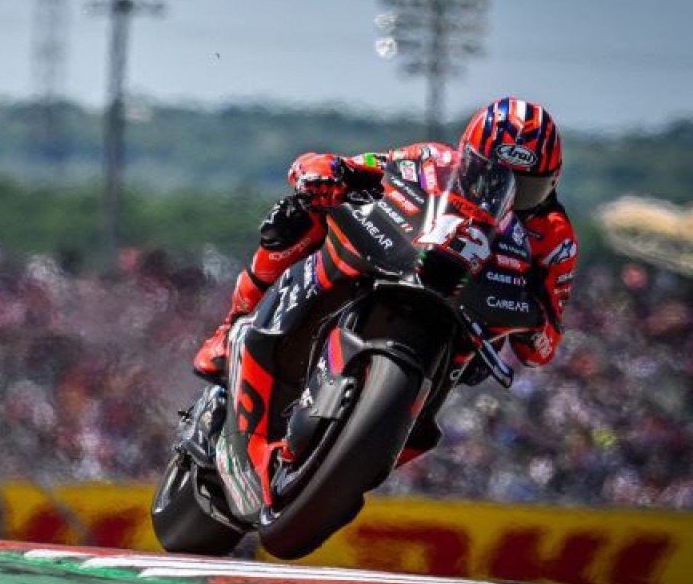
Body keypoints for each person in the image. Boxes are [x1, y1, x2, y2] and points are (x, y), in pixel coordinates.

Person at [193, 97, 577, 436]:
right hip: (404, 258)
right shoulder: (433, 159)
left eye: (526, 190)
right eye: (494, 178)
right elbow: (350, 166)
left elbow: (541, 349)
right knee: (294, 218)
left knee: (478, 369)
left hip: (466, 321)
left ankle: (382, 429)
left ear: (551, 184)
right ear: (468, 157)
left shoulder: (556, 239)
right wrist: (324, 174)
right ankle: (231, 327)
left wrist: (532, 324)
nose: (509, 197)